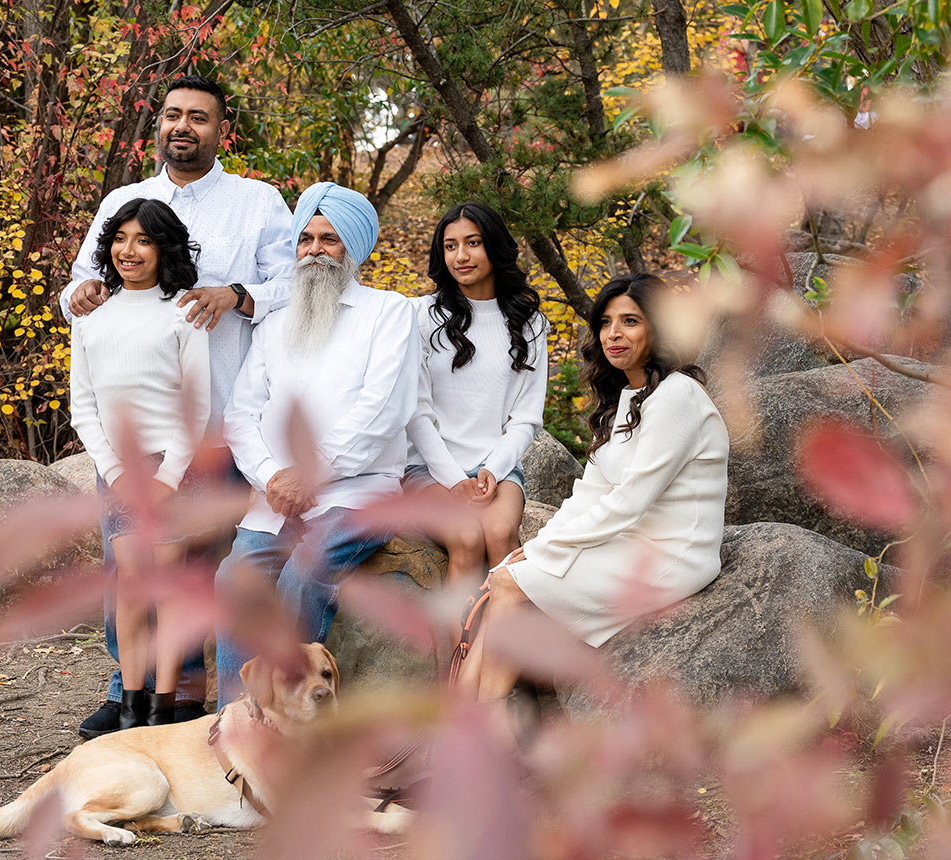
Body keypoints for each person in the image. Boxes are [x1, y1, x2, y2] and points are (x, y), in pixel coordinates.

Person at [59, 75, 293, 738]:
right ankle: (124, 688)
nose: (182, 127)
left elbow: (294, 284)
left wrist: (236, 295)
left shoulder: (257, 203)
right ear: (155, 125)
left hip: (219, 422)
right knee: (127, 564)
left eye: (197, 117)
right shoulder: (125, 201)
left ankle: (183, 694)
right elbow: (84, 284)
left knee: (193, 564)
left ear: (222, 130)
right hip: (132, 431)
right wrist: (74, 298)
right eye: (171, 116)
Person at [457, 273, 729, 702]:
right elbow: (590, 490)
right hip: (631, 542)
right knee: (506, 580)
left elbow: (628, 503)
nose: (613, 334)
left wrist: (550, 550)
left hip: (674, 553)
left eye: (630, 322)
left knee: (509, 585)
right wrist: (536, 545)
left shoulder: (679, 396)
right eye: (605, 322)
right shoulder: (629, 397)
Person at [214, 181, 420, 707]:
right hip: (277, 493)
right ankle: (235, 726)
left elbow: (383, 411)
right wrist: (272, 478)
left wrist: (312, 473)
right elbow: (242, 413)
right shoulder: (275, 321)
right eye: (305, 239)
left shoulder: (389, 312)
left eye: (329, 240)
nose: (313, 251)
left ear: (353, 247)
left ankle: (291, 723)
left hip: (356, 491)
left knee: (302, 577)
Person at [68, 197, 210, 728]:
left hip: (175, 469)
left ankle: (163, 705)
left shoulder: (183, 315)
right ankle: (129, 704)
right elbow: (83, 406)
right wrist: (117, 472)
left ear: (163, 249)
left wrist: (169, 477)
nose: (130, 250)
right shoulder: (91, 320)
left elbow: (197, 404)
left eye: (144, 240)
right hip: (118, 470)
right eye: (122, 239)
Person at [404, 202, 548, 583]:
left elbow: (526, 418)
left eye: (473, 243)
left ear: (494, 247)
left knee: (501, 536)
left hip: (496, 471)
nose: (461, 256)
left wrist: (492, 470)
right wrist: (455, 479)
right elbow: (415, 413)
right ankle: (462, 646)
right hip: (429, 471)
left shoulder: (530, 323)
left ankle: (502, 643)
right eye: (450, 246)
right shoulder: (421, 316)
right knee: (467, 538)